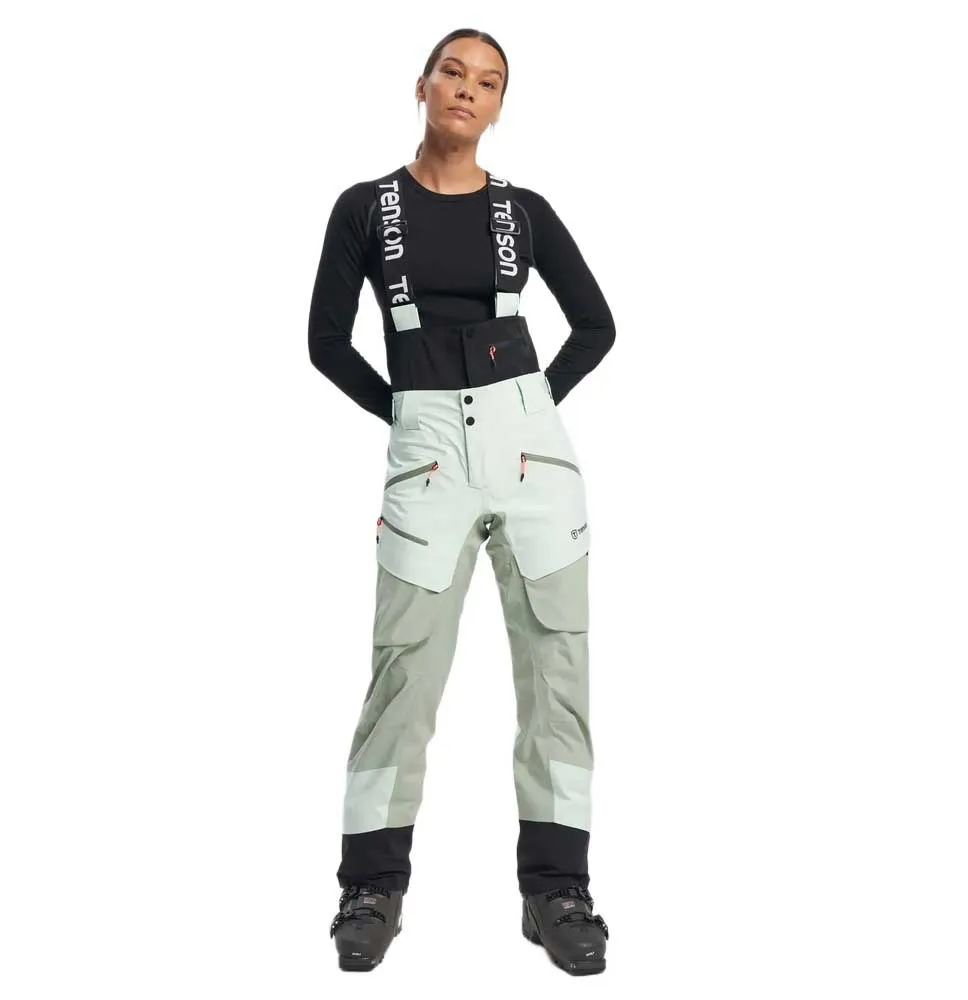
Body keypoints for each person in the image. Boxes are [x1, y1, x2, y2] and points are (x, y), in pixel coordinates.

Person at [308, 28, 615, 976]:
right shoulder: (366, 208)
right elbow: (325, 343)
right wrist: (406, 415)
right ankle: (371, 890)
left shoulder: (524, 210)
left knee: (557, 674)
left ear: (499, 106)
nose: (467, 90)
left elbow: (597, 325)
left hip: (531, 452)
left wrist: (532, 406)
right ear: (422, 85)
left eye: (488, 81)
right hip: (427, 453)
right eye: (453, 72)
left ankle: (558, 891)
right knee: (402, 677)